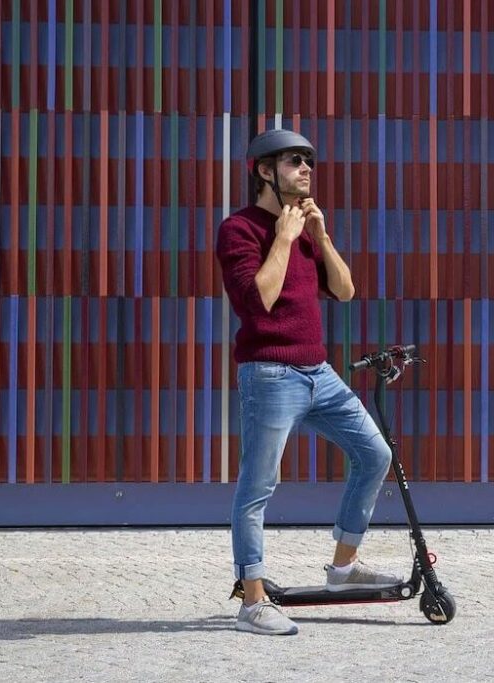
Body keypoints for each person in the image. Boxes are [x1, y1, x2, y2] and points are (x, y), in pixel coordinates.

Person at [216, 129, 401, 636]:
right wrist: (282, 237)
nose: (307, 169)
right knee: (258, 486)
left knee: (375, 453)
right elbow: (259, 302)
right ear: (263, 171)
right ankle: (252, 600)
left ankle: (343, 569)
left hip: (318, 372)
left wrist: (320, 237)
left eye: (309, 162)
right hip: (270, 375)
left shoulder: (306, 230)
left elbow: (344, 290)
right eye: (295, 161)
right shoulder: (239, 230)